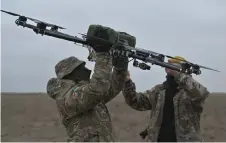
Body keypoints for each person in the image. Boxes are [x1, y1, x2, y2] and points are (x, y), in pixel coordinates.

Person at [46, 46, 128, 142]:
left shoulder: (88, 94)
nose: (87, 70)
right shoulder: (68, 97)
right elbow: (98, 88)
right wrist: (102, 54)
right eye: (82, 68)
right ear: (71, 74)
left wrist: (120, 67)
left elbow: (112, 87)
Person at [122, 56, 210, 142]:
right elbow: (137, 102)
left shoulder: (190, 92)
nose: (170, 66)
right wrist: (127, 83)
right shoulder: (159, 90)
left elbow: (201, 93)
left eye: (174, 65)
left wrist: (179, 74)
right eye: (169, 65)